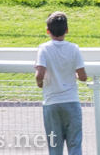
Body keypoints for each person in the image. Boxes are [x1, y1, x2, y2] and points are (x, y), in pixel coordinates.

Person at [35, 12, 87, 155]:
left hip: (51, 102)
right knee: (75, 146)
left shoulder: (44, 49)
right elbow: (83, 76)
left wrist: (40, 83)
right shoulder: (74, 48)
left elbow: (39, 74)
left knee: (54, 148)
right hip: (71, 101)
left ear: (48, 31)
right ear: (67, 30)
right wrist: (76, 76)